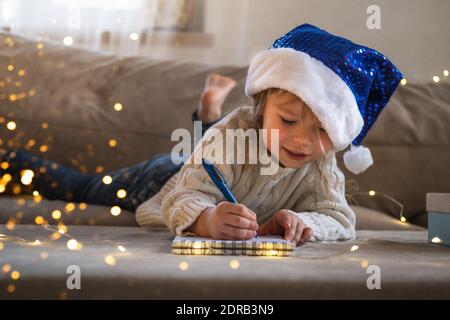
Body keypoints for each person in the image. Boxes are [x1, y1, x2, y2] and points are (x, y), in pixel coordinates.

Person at [1, 24, 403, 246]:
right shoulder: (237, 130)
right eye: (289, 120)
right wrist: (206, 220)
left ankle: (203, 117)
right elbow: (183, 197)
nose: (302, 140)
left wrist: (303, 221)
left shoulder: (320, 161)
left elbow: (339, 217)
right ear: (261, 108)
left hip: (208, 161)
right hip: (161, 181)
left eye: (321, 130)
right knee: (80, 185)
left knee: (210, 146)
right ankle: (10, 162)